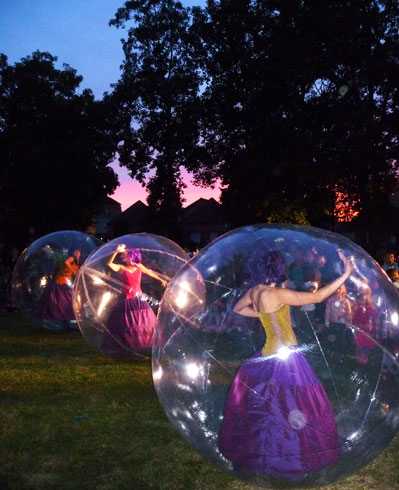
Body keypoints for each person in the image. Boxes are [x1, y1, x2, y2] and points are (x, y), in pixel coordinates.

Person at [217, 248, 353, 480]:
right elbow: (319, 298)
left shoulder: (255, 291)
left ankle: (257, 455)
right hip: (287, 357)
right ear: (278, 269)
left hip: (268, 354)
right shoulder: (278, 295)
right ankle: (291, 459)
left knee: (264, 408)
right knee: (293, 405)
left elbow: (239, 309)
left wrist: (262, 315)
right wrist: (345, 274)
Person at [101, 244, 167, 356]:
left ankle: (144, 343)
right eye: (121, 255)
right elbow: (109, 264)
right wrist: (116, 252)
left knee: (144, 320)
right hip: (126, 298)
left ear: (131, 255)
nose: (122, 256)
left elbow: (149, 272)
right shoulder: (122, 268)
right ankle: (128, 345)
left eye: (124, 254)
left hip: (138, 297)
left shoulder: (138, 266)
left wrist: (161, 279)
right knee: (126, 322)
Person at [36, 249, 81, 322]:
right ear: (72, 252)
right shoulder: (71, 258)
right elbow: (67, 263)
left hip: (65, 281)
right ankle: (66, 317)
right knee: (65, 298)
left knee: (64, 299)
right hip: (61, 281)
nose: (77, 254)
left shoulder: (77, 262)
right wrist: (73, 270)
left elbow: (74, 272)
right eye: (76, 252)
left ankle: (64, 316)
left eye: (79, 252)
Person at [353, 290, 377, 365]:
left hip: (367, 334)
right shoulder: (358, 309)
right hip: (360, 333)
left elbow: (374, 321)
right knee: (359, 347)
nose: (362, 301)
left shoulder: (371, 310)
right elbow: (355, 320)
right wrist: (359, 326)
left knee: (366, 349)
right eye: (361, 300)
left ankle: (365, 361)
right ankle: (358, 362)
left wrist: (371, 326)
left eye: (364, 299)